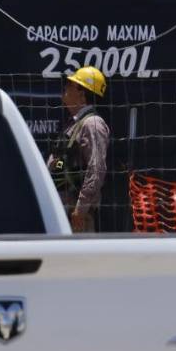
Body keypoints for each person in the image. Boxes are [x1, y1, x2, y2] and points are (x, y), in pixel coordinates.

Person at [48, 65, 110, 232]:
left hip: (75, 215)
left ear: (82, 96)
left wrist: (80, 210)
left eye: (70, 85)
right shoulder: (75, 123)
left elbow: (96, 169)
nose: (65, 88)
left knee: (80, 258)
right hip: (63, 211)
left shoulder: (92, 124)